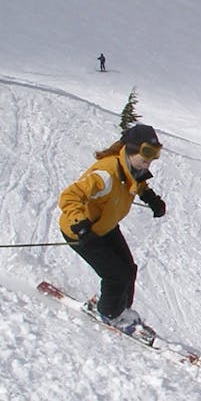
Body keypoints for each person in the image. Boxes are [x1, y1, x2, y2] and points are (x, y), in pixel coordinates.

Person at [59, 124, 167, 334]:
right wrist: (80, 227)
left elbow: (137, 183)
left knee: (129, 269)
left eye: (156, 153)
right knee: (116, 275)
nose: (151, 158)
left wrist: (151, 199)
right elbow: (70, 195)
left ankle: (119, 309)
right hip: (83, 231)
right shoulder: (106, 173)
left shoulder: (133, 169)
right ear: (132, 148)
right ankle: (111, 314)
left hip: (104, 227)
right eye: (147, 151)